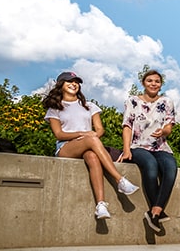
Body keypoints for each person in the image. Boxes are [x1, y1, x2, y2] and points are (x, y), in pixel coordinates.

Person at [43, 71, 140, 220]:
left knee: (93, 157)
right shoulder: (55, 108)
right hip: (66, 147)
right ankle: (119, 179)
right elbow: (59, 134)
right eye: (69, 81)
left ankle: (100, 205)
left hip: (87, 146)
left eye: (76, 82)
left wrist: (91, 136)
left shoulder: (89, 106)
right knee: (92, 140)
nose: (74, 84)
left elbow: (100, 130)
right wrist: (84, 134)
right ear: (61, 85)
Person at [120, 69, 177, 232]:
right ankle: (158, 212)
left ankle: (155, 212)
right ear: (143, 83)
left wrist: (163, 132)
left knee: (171, 168)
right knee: (151, 166)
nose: (153, 84)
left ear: (161, 85)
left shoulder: (167, 102)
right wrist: (126, 150)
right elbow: (127, 126)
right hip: (138, 146)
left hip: (160, 146)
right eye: (150, 81)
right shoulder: (132, 101)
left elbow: (169, 126)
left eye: (157, 81)